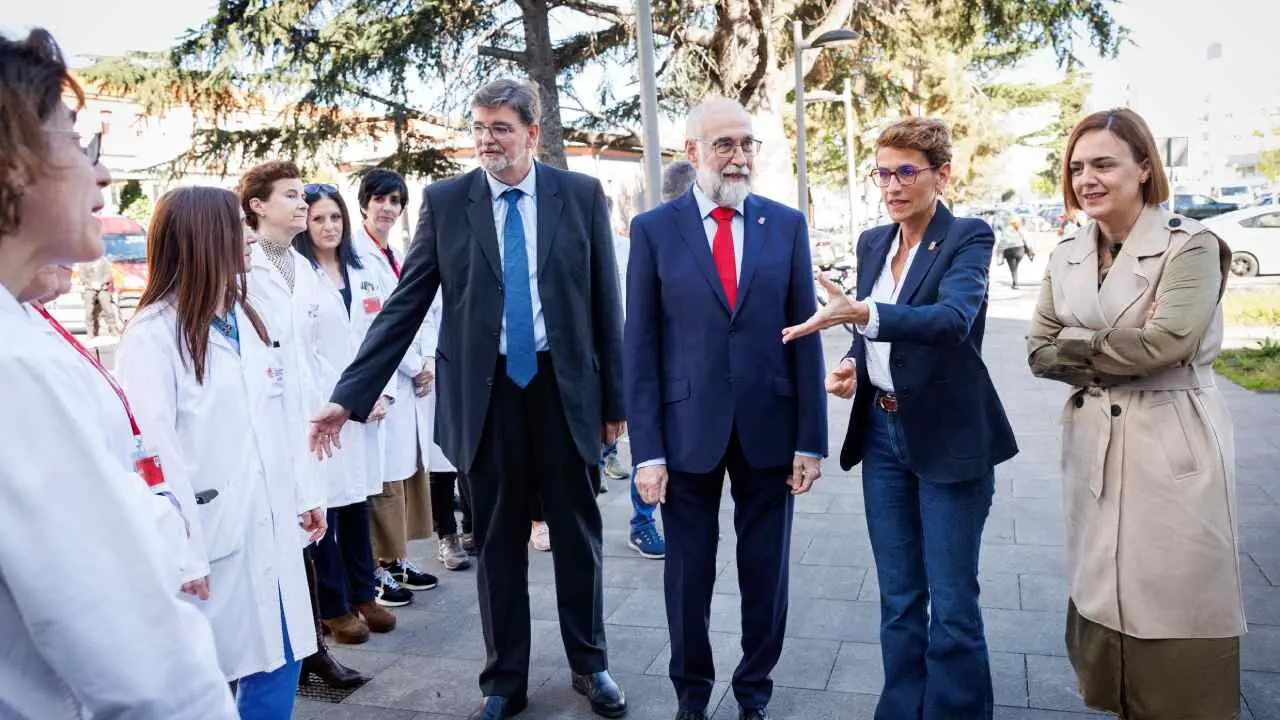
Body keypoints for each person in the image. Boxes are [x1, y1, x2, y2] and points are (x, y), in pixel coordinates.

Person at [311, 77, 627, 720]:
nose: (488, 140)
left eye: (501, 128)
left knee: (576, 535)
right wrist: (349, 395)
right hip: (485, 399)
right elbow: (406, 305)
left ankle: (589, 664)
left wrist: (615, 405)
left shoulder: (581, 195)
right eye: (480, 128)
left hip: (562, 390)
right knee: (497, 542)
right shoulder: (449, 202)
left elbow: (605, 305)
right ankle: (504, 679)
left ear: (532, 133)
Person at [0, 30, 236, 716]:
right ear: (13, 164)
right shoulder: (17, 370)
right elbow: (148, 672)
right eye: (75, 141)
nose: (100, 175)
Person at [782, 117, 1018, 720]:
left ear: (941, 175)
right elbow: (875, 335)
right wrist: (854, 364)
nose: (891, 184)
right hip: (883, 436)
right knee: (899, 597)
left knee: (954, 602)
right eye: (883, 172)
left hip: (948, 437)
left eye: (906, 171)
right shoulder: (871, 243)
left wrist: (859, 315)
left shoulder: (968, 237)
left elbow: (950, 321)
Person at [1027, 108, 1242, 720]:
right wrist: (1113, 346)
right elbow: (1037, 352)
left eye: (1103, 164)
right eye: (1076, 167)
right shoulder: (1068, 250)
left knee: (1174, 590)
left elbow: (1166, 344)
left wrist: (1078, 341)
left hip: (1171, 438)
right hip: (1095, 437)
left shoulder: (1191, 245)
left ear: (1145, 168)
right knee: (1103, 581)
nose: (1086, 178)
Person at [626, 98, 827, 720]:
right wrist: (647, 452)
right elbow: (642, 345)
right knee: (689, 576)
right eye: (724, 145)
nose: (738, 157)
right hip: (687, 435)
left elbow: (806, 332)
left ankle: (753, 693)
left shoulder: (786, 225)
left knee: (765, 574)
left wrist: (810, 441)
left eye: (746, 144)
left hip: (771, 429)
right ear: (693, 152)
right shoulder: (654, 230)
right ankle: (691, 695)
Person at [114, 186, 325, 718]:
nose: (251, 236)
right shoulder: (152, 336)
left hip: (268, 519)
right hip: (209, 535)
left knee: (280, 657)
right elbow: (151, 457)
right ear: (204, 238)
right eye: (238, 225)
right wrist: (182, 552)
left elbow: (279, 418)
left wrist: (303, 494)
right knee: (214, 676)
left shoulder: (246, 318)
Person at [237, 161, 366, 689]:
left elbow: (328, 343)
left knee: (314, 529)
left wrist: (351, 396)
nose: (301, 203)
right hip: (272, 420)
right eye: (289, 195)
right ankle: (301, 649)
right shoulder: (241, 266)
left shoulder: (302, 264)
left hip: (314, 416)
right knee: (289, 537)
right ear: (257, 206)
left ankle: (307, 646)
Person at [293, 184, 399, 646]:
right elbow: (306, 356)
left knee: (357, 506)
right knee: (328, 513)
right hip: (326, 410)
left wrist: (380, 393)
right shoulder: (299, 277)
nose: (329, 226)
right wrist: (346, 400)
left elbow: (385, 336)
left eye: (335, 218)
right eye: (318, 219)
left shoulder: (361, 269)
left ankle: (364, 594)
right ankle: (333, 606)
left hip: (365, 409)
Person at [352, 167, 439, 599]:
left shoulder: (394, 254)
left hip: (408, 384)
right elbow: (377, 325)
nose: (387, 208)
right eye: (379, 199)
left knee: (404, 476)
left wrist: (426, 359)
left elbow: (421, 313)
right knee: (380, 482)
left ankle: (396, 560)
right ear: (364, 203)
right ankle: (376, 570)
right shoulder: (355, 256)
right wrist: (412, 366)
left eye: (394, 202)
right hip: (384, 384)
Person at [419, 292, 473, 571]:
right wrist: (427, 359)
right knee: (441, 464)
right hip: (435, 372)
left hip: (471, 368)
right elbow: (423, 318)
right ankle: (447, 536)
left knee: (470, 455)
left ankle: (472, 527)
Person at [78, 253, 121, 335]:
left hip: (102, 288)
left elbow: (108, 274)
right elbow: (82, 276)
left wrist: (101, 283)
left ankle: (113, 329)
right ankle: (90, 332)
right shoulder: (83, 262)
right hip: (89, 288)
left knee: (108, 309)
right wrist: (91, 284)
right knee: (89, 311)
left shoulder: (103, 261)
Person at [995, 215, 1034, 289]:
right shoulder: (1021, 229)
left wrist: (999, 252)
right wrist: (1030, 250)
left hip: (1009, 251)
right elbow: (1027, 240)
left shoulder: (1006, 229)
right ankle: (1015, 281)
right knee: (1015, 267)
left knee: (1013, 268)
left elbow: (1002, 241)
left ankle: (1015, 283)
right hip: (1020, 250)